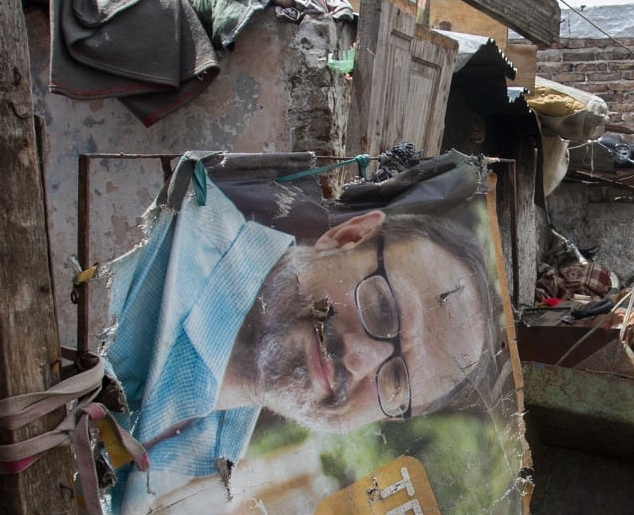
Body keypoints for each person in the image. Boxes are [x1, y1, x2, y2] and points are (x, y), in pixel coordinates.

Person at [105, 151, 500, 494]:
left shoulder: (210, 465)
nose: (359, 359)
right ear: (347, 236)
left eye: (396, 382)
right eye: (383, 309)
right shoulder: (146, 249)